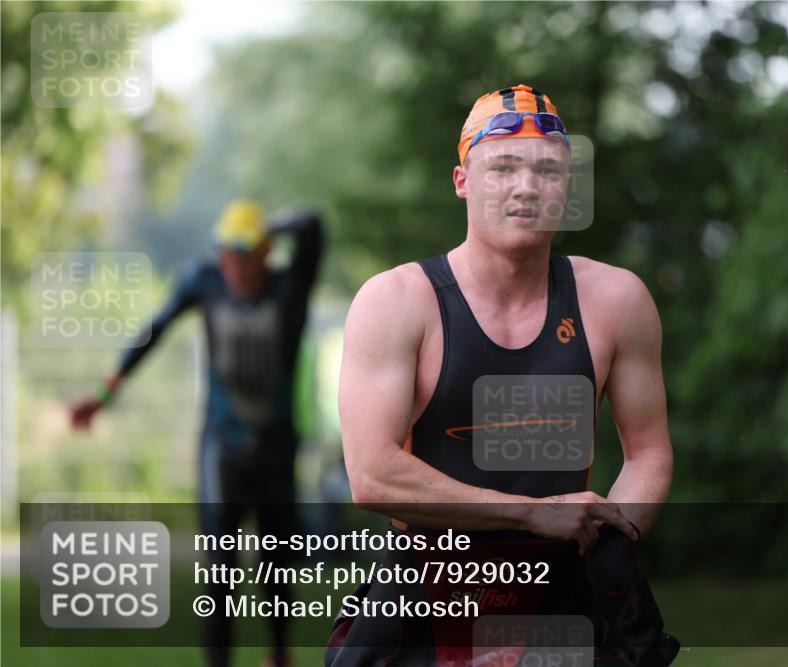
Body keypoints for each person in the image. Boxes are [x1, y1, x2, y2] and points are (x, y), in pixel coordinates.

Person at [328, 85, 675, 665]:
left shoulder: (616, 300)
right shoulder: (396, 301)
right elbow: (372, 475)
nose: (525, 187)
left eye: (547, 170)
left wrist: (611, 542)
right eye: (502, 168)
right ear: (463, 180)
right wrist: (529, 512)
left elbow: (650, 454)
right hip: (430, 585)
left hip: (565, 578)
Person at [69, 200, 325, 667]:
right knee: (220, 571)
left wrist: (267, 225)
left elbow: (312, 225)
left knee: (277, 563)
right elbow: (155, 329)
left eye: (244, 254)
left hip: (275, 446)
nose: (233, 266)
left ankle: (278, 651)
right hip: (221, 447)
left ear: (267, 253)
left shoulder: (290, 288)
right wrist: (106, 393)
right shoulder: (206, 283)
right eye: (226, 254)